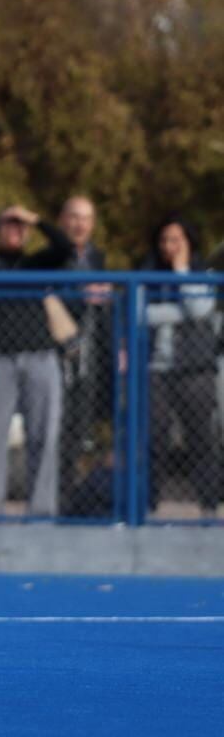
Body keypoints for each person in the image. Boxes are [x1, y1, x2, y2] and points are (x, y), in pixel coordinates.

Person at [0, 205, 74, 516]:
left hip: (39, 357)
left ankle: (41, 511)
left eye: (20, 226)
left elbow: (65, 247)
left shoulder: (36, 263)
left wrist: (36, 218)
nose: (15, 230)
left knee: (44, 435)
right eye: (8, 224)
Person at [141, 215, 219, 514]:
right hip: (156, 371)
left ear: (188, 242)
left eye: (176, 240)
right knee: (153, 439)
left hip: (195, 370)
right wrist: (181, 312)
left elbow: (201, 307)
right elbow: (139, 315)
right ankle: (148, 506)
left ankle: (209, 507)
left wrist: (181, 272)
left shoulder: (201, 272)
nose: (169, 246)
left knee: (201, 440)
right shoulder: (148, 273)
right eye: (164, 240)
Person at [56, 195, 114, 514]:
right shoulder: (52, 257)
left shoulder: (98, 258)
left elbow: (106, 304)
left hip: (93, 358)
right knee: (62, 432)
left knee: (88, 430)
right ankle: (62, 498)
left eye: (86, 218)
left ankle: (85, 500)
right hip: (61, 357)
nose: (79, 224)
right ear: (63, 220)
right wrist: (81, 294)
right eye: (73, 217)